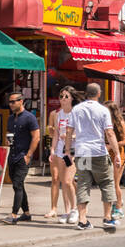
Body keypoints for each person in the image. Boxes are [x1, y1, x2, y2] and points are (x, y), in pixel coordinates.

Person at [63, 82, 121, 231]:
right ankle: (107, 218)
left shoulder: (77, 109)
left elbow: (69, 131)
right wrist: (117, 154)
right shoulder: (103, 110)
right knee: (106, 182)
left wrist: (68, 151)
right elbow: (109, 133)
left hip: (82, 153)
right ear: (99, 94)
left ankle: (82, 220)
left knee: (83, 184)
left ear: (87, 94)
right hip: (99, 152)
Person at [3, 91, 40, 225]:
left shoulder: (30, 117)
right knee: (17, 185)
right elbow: (9, 132)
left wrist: (29, 155)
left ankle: (13, 215)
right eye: (10, 102)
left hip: (23, 156)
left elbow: (36, 137)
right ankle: (26, 213)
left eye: (13, 101)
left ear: (21, 101)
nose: (11, 104)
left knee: (17, 184)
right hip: (12, 155)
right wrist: (8, 140)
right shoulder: (11, 118)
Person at [45, 87, 77, 223]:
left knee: (68, 180)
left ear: (72, 99)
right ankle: (67, 211)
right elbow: (56, 133)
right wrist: (52, 149)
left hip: (72, 151)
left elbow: (81, 132)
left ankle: (75, 209)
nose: (63, 99)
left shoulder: (76, 114)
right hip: (60, 151)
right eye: (61, 96)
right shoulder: (58, 115)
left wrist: (71, 136)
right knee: (62, 181)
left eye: (66, 96)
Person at [105, 100, 125, 221]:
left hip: (118, 154)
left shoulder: (120, 123)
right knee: (108, 183)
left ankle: (119, 208)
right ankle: (116, 202)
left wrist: (111, 145)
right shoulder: (104, 123)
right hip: (106, 154)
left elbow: (124, 141)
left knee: (115, 183)